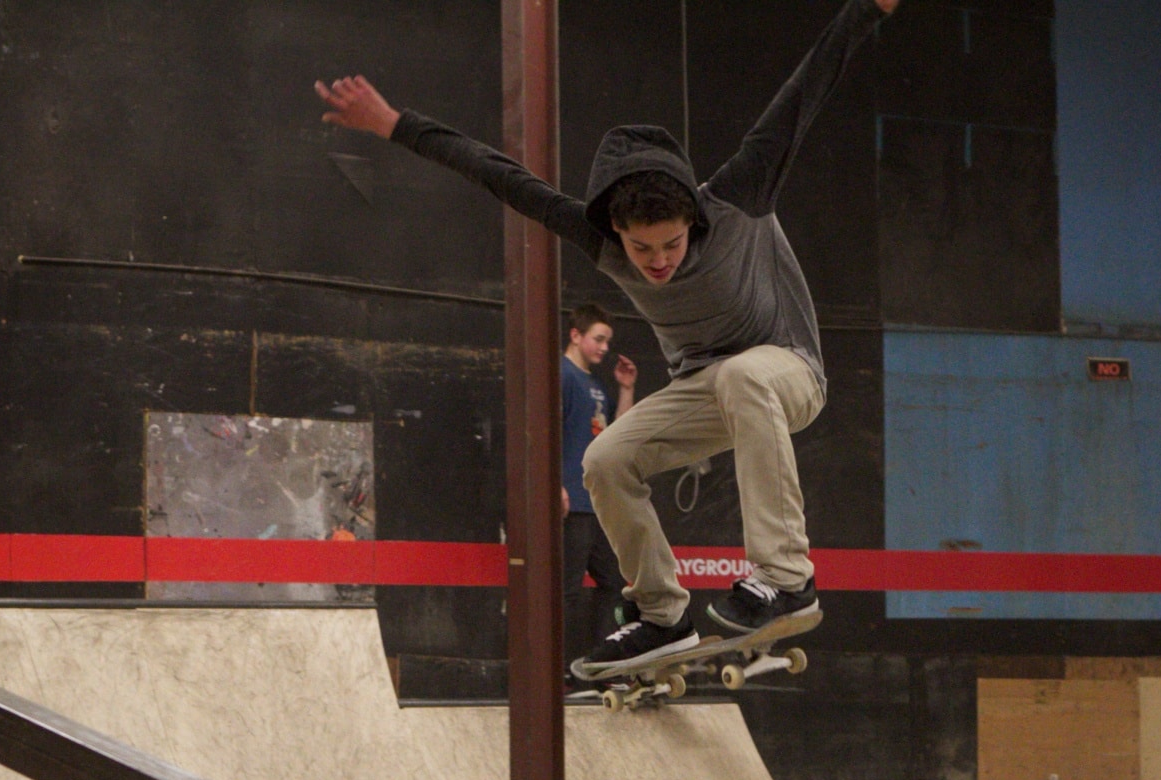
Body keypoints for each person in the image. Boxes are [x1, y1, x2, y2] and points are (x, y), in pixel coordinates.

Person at [316, 0, 901, 677]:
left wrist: (866, 10)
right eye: (641, 248)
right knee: (606, 460)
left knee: (745, 376)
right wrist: (394, 124)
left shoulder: (738, 194)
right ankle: (662, 615)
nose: (658, 262)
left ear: (691, 219)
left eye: (672, 244)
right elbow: (500, 175)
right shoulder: (597, 239)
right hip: (707, 390)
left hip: (788, 372)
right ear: (615, 230)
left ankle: (786, 577)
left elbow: (803, 93)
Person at [560, 304, 636, 661]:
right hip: (571, 505)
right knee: (566, 590)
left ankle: (604, 663)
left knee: (615, 584)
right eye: (598, 339)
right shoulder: (560, 375)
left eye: (608, 341)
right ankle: (556, 671)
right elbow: (543, 432)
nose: (605, 348)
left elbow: (616, 436)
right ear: (576, 335)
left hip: (597, 506)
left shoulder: (596, 385)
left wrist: (625, 389)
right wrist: (555, 486)